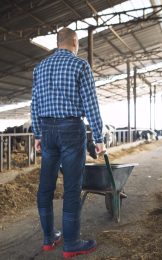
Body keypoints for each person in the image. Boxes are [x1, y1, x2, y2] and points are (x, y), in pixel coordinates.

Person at [31, 27, 105, 258]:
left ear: (57, 42)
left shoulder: (40, 67)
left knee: (46, 186)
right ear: (74, 41)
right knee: (72, 187)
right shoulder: (80, 65)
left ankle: (48, 238)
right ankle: (72, 243)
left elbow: (33, 104)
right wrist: (99, 137)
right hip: (71, 129)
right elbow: (90, 103)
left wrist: (37, 135)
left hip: (47, 130)